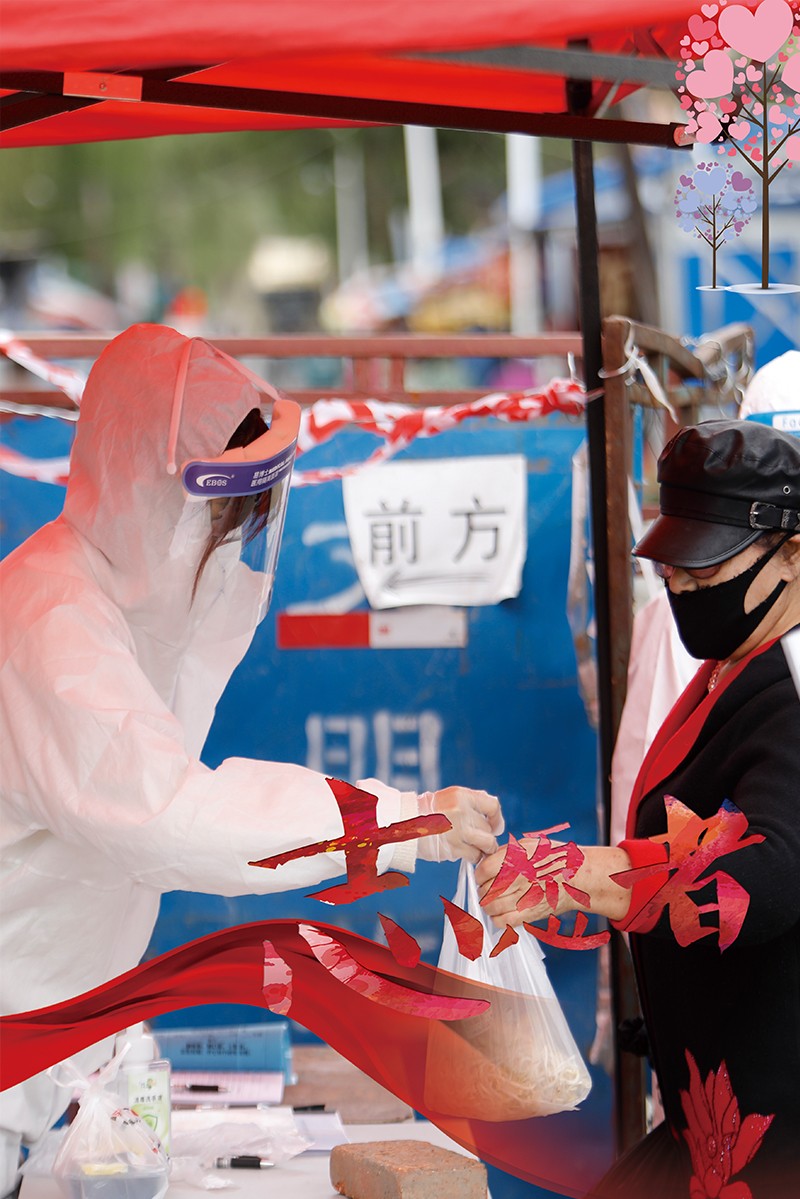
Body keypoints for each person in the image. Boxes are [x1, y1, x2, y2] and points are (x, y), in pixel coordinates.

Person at [0, 323, 503, 1195]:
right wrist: (398, 821)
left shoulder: (103, 601)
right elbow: (173, 816)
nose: (228, 535)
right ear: (144, 486)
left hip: (43, 1063)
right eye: (217, 507)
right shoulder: (52, 620)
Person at [478, 417, 800, 1197]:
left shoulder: (791, 693)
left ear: (792, 554)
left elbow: (770, 871)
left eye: (705, 565)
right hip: (706, 1122)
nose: (681, 587)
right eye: (673, 566)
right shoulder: (732, 667)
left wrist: (583, 876)